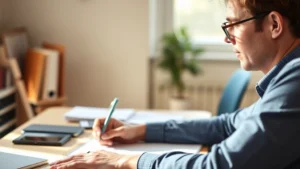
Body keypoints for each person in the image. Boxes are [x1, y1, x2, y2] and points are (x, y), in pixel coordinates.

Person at [50, 0, 300, 168]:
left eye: (233, 24)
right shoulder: (288, 76)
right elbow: (227, 124)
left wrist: (123, 161)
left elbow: (218, 165)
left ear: (274, 25)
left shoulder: (295, 81)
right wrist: (138, 130)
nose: (228, 38)